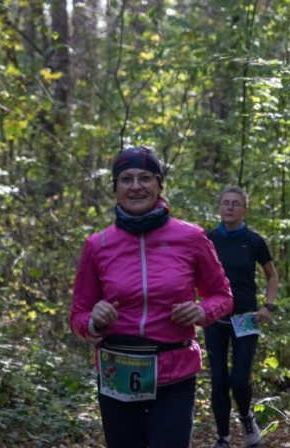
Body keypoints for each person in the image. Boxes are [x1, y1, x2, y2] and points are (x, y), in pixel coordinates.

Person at [69, 145, 234, 448]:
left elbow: (222, 295)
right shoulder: (97, 245)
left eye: (145, 178)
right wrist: (94, 322)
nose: (136, 186)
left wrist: (202, 311)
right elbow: (78, 315)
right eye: (126, 179)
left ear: (159, 185)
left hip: (175, 371)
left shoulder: (191, 237)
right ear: (115, 189)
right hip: (117, 370)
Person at [205, 187, 279, 448]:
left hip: (246, 317)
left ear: (245, 209)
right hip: (215, 318)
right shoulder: (208, 239)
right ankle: (223, 438)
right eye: (225, 202)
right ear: (219, 207)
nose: (230, 207)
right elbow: (194, 272)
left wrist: (269, 306)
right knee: (218, 380)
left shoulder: (254, 241)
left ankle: (247, 417)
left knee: (238, 380)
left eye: (236, 203)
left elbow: (272, 275)